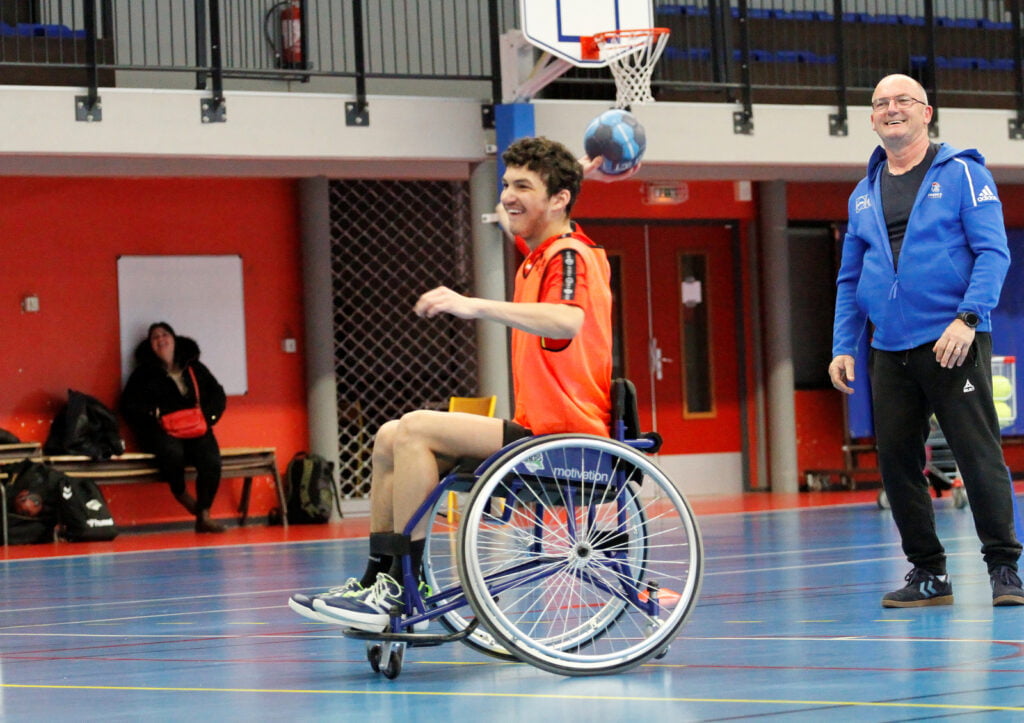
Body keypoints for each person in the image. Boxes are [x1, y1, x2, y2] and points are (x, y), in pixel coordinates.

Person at [289, 136, 617, 630]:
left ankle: (404, 586)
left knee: (417, 427)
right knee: (389, 436)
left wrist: (473, 304)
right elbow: (511, 214)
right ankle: (380, 577)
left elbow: (567, 321)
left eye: (521, 185)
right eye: (506, 183)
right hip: (538, 432)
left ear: (559, 200)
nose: (506, 195)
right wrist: (570, 171)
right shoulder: (538, 253)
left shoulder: (569, 255)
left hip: (568, 437)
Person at [829, 73, 1023, 607]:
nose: (891, 110)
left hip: (953, 341)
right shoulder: (863, 194)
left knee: (977, 454)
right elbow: (850, 278)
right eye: (881, 104)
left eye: (903, 102)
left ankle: (1005, 569)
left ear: (926, 112)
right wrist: (844, 344)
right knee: (895, 460)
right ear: (872, 118)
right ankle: (928, 574)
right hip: (889, 349)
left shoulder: (963, 173)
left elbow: (993, 253)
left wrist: (966, 318)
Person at [121, 322, 228, 533]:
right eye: (155, 337)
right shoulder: (143, 374)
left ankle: (204, 514)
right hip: (163, 430)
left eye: (165, 334)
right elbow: (128, 404)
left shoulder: (195, 367)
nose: (161, 339)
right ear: (149, 345)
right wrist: (153, 416)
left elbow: (217, 394)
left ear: (174, 339)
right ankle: (181, 493)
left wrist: (208, 418)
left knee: (211, 460)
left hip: (197, 426)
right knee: (171, 453)